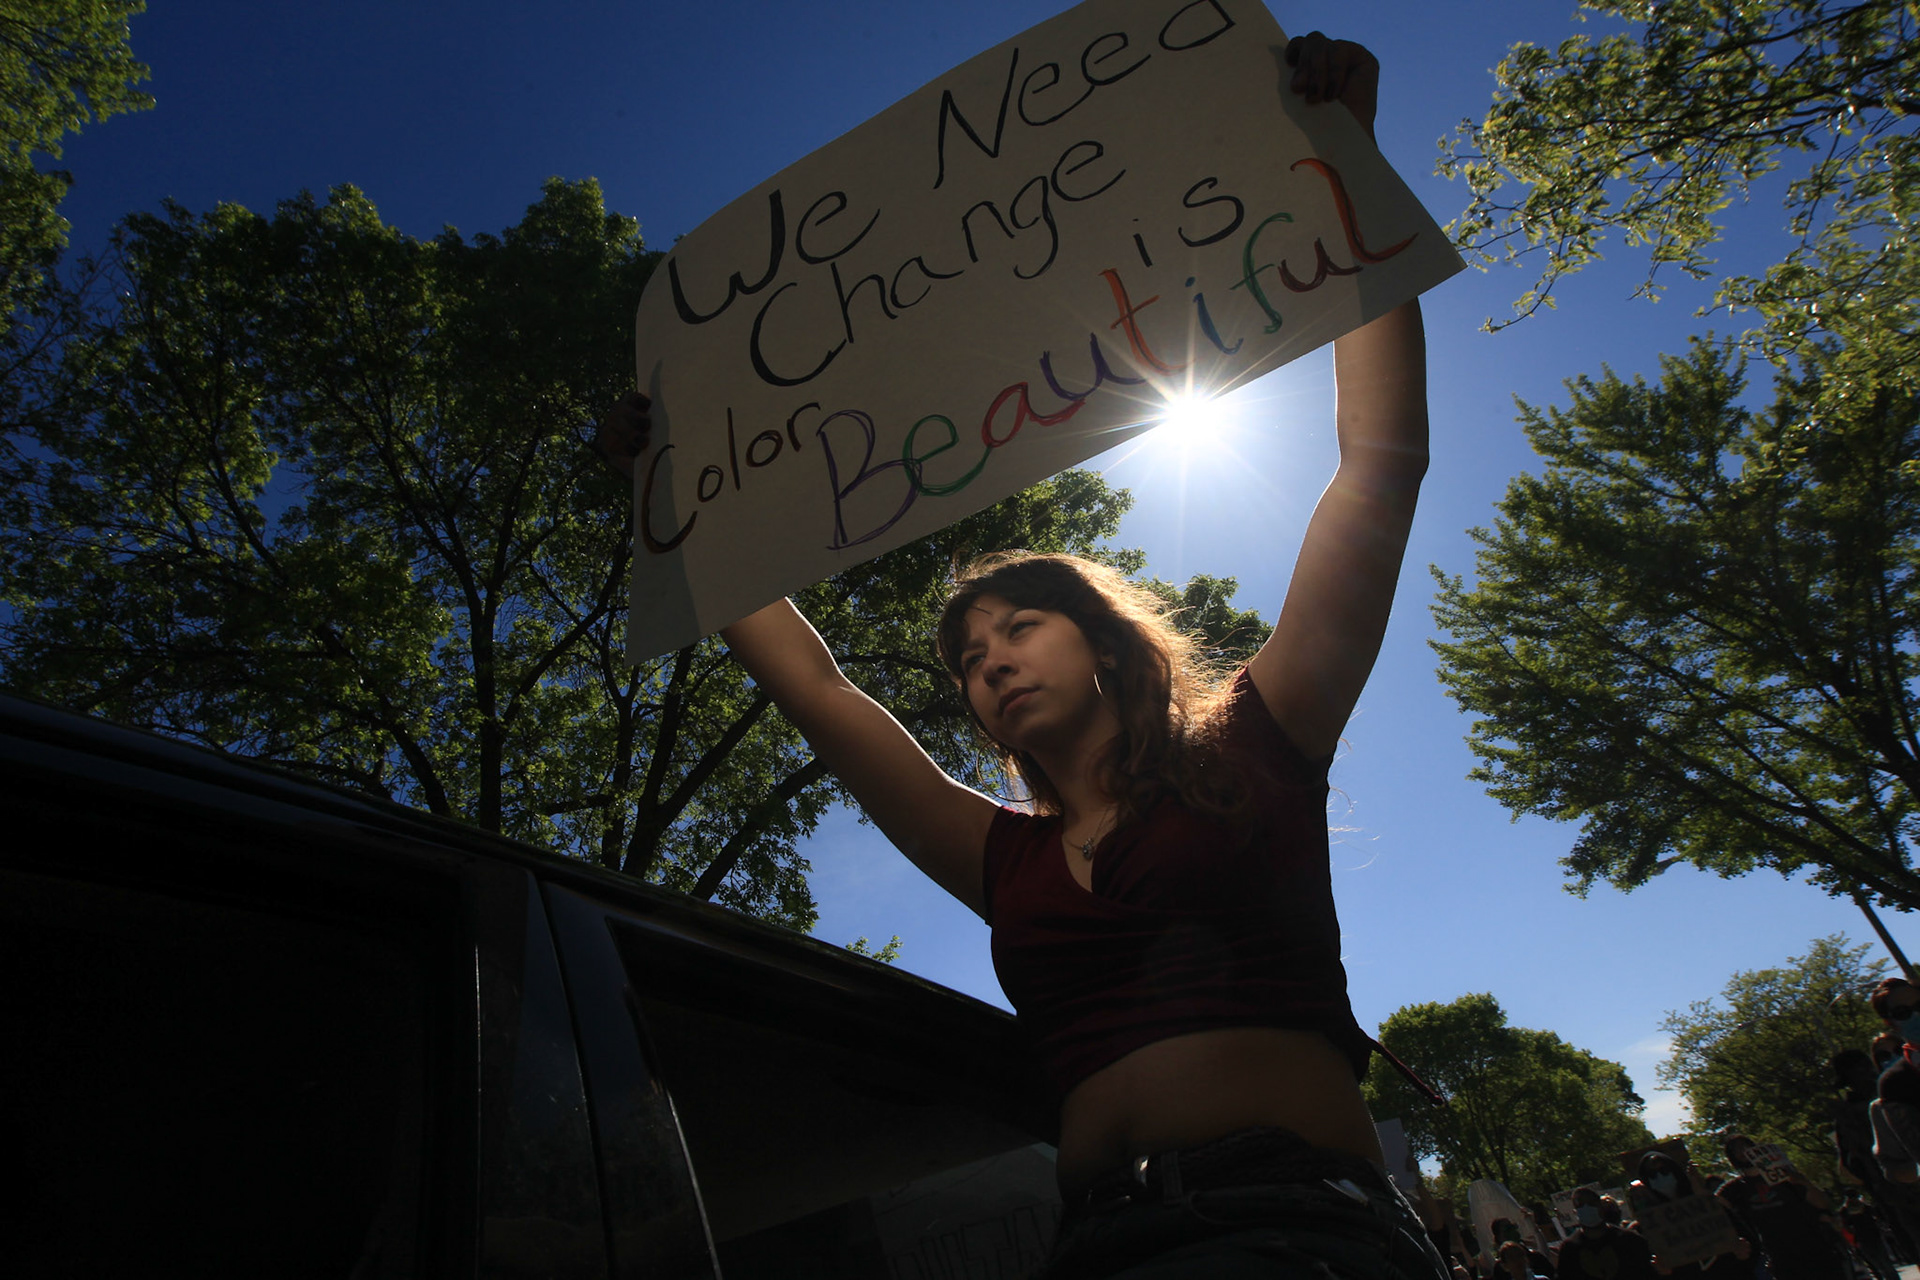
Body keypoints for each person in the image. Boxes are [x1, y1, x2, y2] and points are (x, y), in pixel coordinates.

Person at [597, 31, 1444, 1280]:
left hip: (1298, 1225)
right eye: (966, 658)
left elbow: (1379, 463)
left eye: (1017, 626)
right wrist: (673, 498)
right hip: (1095, 1244)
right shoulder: (999, 855)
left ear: (1105, 644)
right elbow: (818, 689)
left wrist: (1348, 164)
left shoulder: (1262, 745)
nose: (987, 658)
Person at [1714, 1135, 1844, 1280]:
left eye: (1745, 1146)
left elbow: (1821, 1203)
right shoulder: (1735, 1188)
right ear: (1732, 1157)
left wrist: (1803, 1182)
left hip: (1815, 1246)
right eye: (1736, 1150)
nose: (1742, 1151)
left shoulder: (1786, 1175)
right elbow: (1714, 1210)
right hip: (1780, 1255)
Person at [1554, 1190, 1657, 1280]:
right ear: (1575, 1212)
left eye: (1591, 1203)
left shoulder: (1629, 1240)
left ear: (1601, 1207)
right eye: (1580, 1205)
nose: (1587, 1208)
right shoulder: (1569, 1249)